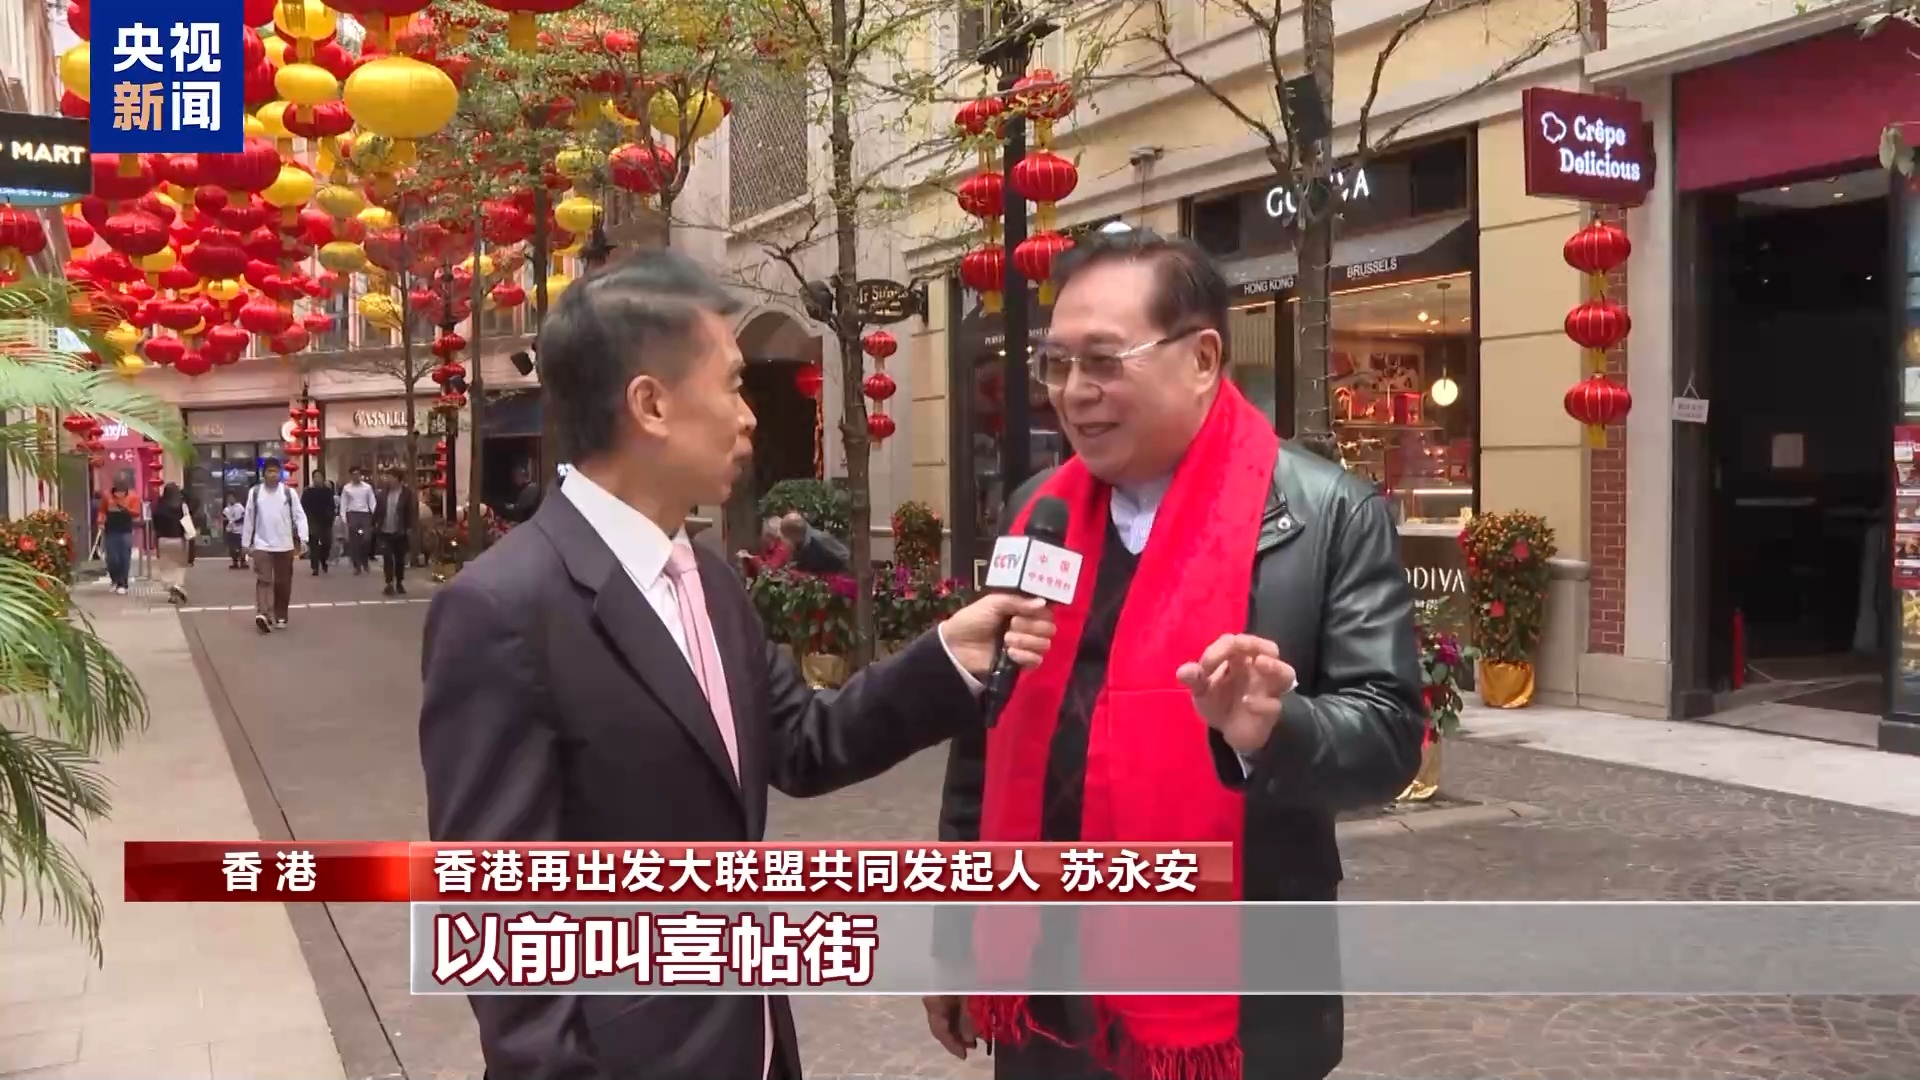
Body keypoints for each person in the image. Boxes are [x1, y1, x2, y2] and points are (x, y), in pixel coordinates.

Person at [418, 251, 1053, 1080]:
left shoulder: (710, 579)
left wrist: (946, 658)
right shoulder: (503, 608)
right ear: (650, 404)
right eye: (733, 386)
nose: (749, 417)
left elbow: (804, 740)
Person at [925, 230, 1424, 1080]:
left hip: (1239, 992)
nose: (1074, 393)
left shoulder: (1326, 515)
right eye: (1057, 365)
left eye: (1104, 361)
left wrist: (1274, 729)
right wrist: (956, 939)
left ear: (1201, 360)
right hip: (1046, 984)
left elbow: (1387, 739)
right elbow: (984, 737)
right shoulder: (1037, 513)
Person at [241, 457, 308, 633]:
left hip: (284, 545)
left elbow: (299, 516)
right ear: (263, 474)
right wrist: (245, 543)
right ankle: (263, 613)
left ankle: (281, 615)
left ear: (280, 474)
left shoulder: (288, 493)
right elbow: (249, 518)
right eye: (269, 471)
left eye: (276, 471)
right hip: (262, 544)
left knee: (282, 583)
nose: (273, 475)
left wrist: (303, 538)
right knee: (264, 580)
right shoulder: (255, 492)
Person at [371, 466, 416, 595]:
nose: (387, 479)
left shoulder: (407, 493)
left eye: (390, 477)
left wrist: (409, 527)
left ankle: (399, 582)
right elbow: (378, 510)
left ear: (397, 479)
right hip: (385, 530)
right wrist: (373, 523)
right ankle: (389, 583)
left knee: (399, 559)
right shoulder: (383, 494)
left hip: (399, 531)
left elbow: (411, 511)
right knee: (387, 557)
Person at [149, 482, 191, 605]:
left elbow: (155, 528)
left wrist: (155, 543)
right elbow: (187, 523)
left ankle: (172, 591)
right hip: (179, 540)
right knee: (179, 566)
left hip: (163, 540)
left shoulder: (158, 507)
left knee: (166, 567)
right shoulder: (182, 506)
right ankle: (177, 585)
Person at [96, 479, 140, 595]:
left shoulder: (133, 496)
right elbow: (102, 511)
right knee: (112, 558)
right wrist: (100, 521)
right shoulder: (107, 496)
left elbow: (137, 512)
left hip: (125, 530)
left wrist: (126, 509)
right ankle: (114, 579)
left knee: (124, 557)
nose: (119, 495)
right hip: (110, 530)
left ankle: (123, 583)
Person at [778, 511, 850, 573]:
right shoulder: (800, 544)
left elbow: (845, 558)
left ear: (794, 534)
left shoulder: (821, 540)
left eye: (787, 536)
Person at [339, 466, 377, 574]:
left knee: (366, 539)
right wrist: (344, 518)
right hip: (352, 514)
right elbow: (343, 504)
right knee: (354, 542)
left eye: (358, 474)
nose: (356, 476)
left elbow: (372, 502)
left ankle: (365, 560)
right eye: (354, 474)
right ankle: (357, 565)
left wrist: (375, 515)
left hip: (365, 515)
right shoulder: (347, 488)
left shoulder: (367, 487)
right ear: (351, 476)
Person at [302, 470, 339, 575]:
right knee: (314, 543)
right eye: (315, 477)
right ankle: (315, 566)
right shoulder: (308, 491)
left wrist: (331, 516)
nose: (317, 479)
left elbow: (332, 506)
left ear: (323, 479)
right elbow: (303, 506)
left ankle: (323, 559)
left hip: (326, 520)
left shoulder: (327, 491)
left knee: (327, 543)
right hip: (313, 519)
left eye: (319, 477)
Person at [221, 492, 247, 568]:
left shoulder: (240, 507)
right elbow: (224, 518)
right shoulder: (226, 509)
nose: (230, 499)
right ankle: (234, 561)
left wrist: (236, 521)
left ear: (235, 498)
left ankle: (243, 561)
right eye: (229, 498)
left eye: (231, 497)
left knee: (240, 547)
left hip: (239, 530)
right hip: (230, 530)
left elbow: (244, 517)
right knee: (232, 547)